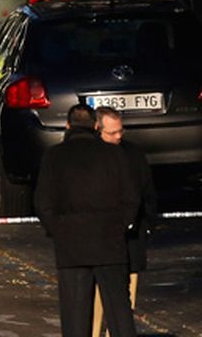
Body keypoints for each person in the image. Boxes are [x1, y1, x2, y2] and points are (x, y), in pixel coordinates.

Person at [34, 104, 140, 337]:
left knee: (75, 318)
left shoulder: (54, 156)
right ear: (95, 126)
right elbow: (132, 197)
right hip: (110, 240)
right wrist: (120, 225)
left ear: (68, 126)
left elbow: (43, 202)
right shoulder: (114, 154)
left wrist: (58, 230)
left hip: (71, 243)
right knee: (119, 313)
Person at [91, 106, 157, 337]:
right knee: (98, 295)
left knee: (126, 299)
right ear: (97, 128)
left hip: (130, 237)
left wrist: (145, 226)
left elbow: (147, 193)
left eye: (121, 131)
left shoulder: (133, 154)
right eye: (112, 133)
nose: (118, 136)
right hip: (100, 237)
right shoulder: (91, 155)